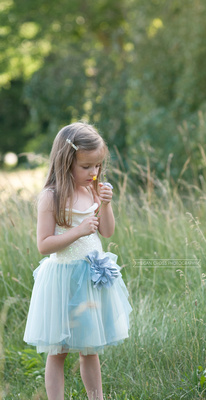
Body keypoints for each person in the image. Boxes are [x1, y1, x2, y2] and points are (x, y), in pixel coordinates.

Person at [23, 122, 132, 400]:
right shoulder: (51, 197)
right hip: (62, 281)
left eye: (97, 166)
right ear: (66, 160)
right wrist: (77, 231)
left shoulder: (93, 190)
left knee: (90, 349)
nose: (94, 172)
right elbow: (43, 244)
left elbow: (106, 232)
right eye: (86, 167)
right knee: (57, 351)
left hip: (91, 280)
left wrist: (106, 205)